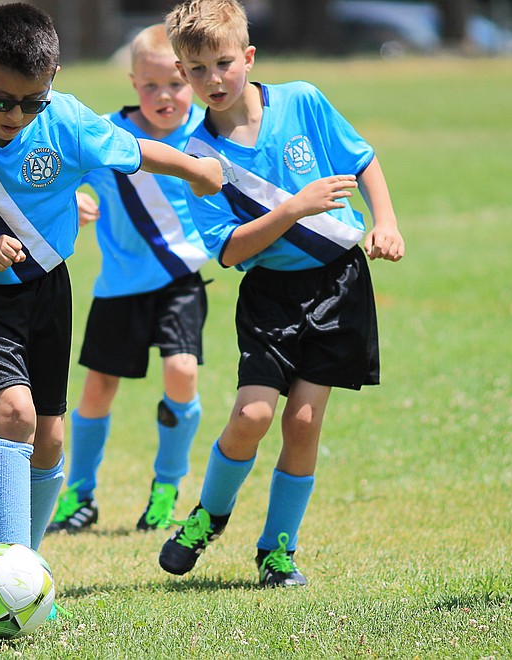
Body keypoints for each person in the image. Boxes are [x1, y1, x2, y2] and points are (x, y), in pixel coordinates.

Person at [0, 2, 223, 554]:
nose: (15, 115)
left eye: (31, 102)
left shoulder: (65, 119)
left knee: (49, 437)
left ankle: (27, 569)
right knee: (13, 413)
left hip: (46, 288)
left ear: (52, 82)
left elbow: (133, 151)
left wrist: (195, 167)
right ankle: (8, 573)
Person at [158, 0, 405, 587]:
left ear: (247, 56)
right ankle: (208, 516)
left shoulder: (300, 101)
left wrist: (386, 221)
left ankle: (277, 550)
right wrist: (293, 208)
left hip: (339, 286)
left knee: (302, 422)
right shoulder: (198, 158)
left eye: (223, 63)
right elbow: (231, 250)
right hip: (270, 293)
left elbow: (363, 160)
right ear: (181, 72)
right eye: (196, 70)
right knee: (252, 414)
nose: (213, 80)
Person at [46, 24, 212, 535]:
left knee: (182, 373)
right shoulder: (106, 133)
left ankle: (166, 488)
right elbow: (54, 174)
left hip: (181, 279)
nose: (165, 97)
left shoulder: (208, 131)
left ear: (192, 78)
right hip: (118, 286)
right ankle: (80, 494)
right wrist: (68, 198)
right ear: (133, 80)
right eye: (150, 86)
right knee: (97, 389)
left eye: (177, 84)